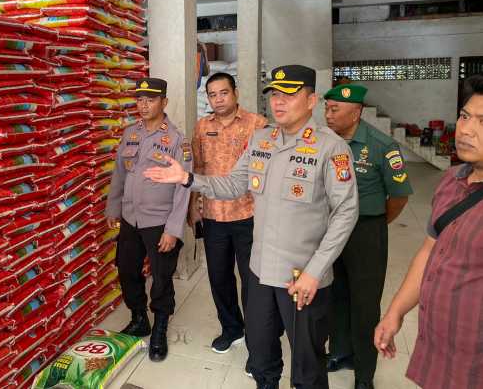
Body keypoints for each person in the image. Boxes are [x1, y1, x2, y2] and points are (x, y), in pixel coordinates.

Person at [145, 65, 359, 389]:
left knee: (307, 363)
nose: (279, 101)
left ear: (312, 99)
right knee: (260, 352)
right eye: (274, 94)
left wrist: (316, 270)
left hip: (302, 276)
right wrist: (188, 179)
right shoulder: (262, 140)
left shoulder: (331, 148)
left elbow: (346, 213)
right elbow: (234, 184)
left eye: (289, 94)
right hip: (260, 270)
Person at [374, 74, 483, 389]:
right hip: (438, 342)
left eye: (481, 121)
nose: (465, 130)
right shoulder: (452, 180)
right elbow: (429, 251)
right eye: (464, 116)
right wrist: (396, 311)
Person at [324, 84, 413, 389]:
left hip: (366, 231)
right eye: (327, 108)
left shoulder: (381, 146)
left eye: (335, 109)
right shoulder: (325, 141)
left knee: (364, 304)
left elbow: (399, 195)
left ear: (357, 112)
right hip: (331, 229)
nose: (328, 114)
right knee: (335, 294)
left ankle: (364, 374)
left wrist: (376, 223)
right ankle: (339, 352)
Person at [104, 77, 192, 362]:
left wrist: (173, 230)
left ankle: (160, 327)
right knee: (127, 269)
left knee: (162, 278)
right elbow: (120, 174)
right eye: (140, 99)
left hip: (160, 222)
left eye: (150, 99)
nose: (143, 105)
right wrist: (112, 208)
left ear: (163, 102)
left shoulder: (178, 140)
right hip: (131, 218)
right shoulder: (130, 133)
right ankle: (139, 317)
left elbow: (183, 190)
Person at [189, 72, 267, 354]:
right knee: (219, 277)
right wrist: (192, 207)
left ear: (235, 93)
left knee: (252, 281)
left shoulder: (257, 124)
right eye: (212, 94)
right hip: (213, 216)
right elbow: (195, 169)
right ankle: (232, 328)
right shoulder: (201, 126)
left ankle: (257, 338)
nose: (218, 99)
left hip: (248, 214)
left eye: (223, 92)